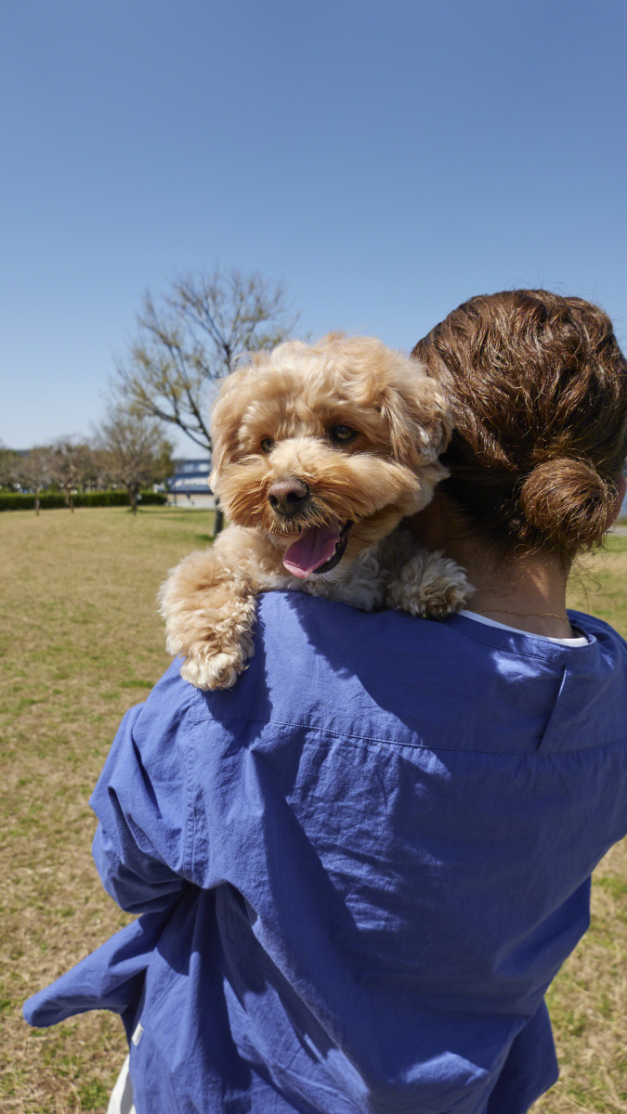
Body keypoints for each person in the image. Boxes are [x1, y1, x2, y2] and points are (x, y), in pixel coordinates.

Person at [24, 290, 627, 1114]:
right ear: (607, 495)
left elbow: (130, 864)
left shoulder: (259, 677)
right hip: (470, 1089)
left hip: (233, 1079)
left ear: (433, 462)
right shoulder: (608, 695)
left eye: (342, 435)